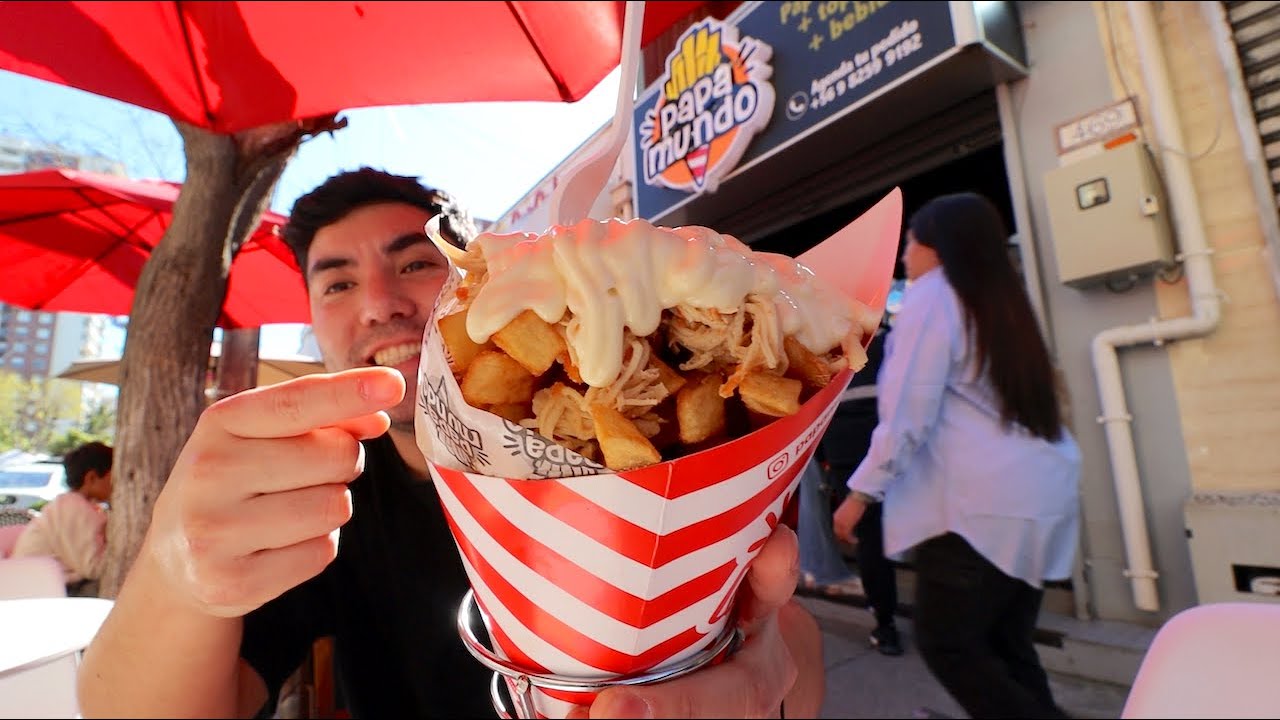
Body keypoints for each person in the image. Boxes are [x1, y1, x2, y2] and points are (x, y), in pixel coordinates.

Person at [78, 168, 824, 719]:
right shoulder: (318, 493)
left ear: (481, 285)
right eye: (337, 285)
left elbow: (790, 642)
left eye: (414, 264)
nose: (380, 305)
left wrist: (764, 677)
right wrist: (174, 576)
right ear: (313, 321)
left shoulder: (685, 449)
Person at [832, 192, 1080, 719]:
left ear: (938, 248)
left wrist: (860, 494)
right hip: (1040, 497)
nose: (904, 256)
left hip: (979, 508)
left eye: (910, 242)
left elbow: (907, 414)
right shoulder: (1003, 304)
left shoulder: (933, 297)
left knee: (948, 643)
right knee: (1007, 645)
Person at [817, 324, 903, 656]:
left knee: (871, 540)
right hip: (888, 449)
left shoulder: (827, 345)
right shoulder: (891, 342)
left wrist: (823, 458)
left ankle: (885, 624)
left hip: (845, 452)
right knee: (886, 535)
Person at [12, 441, 113, 596]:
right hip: (41, 592)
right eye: (114, 476)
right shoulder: (73, 507)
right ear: (91, 478)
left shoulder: (73, 505)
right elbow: (94, 568)